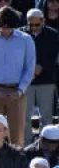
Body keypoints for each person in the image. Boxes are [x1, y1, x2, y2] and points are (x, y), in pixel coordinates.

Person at [0, 5, 36, 147]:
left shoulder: (26, 40)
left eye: (9, 27)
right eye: (3, 27)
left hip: (17, 92)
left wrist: (20, 91)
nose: (6, 30)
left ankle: (16, 166)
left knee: (17, 138)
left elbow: (30, 68)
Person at [23, 9, 58, 145]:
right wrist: (30, 71)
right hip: (27, 81)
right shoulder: (21, 33)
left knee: (46, 115)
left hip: (46, 80)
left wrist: (39, 68)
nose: (33, 28)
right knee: (25, 115)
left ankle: (47, 144)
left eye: (36, 24)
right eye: (30, 25)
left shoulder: (53, 34)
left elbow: (53, 56)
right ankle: (26, 144)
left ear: (43, 21)